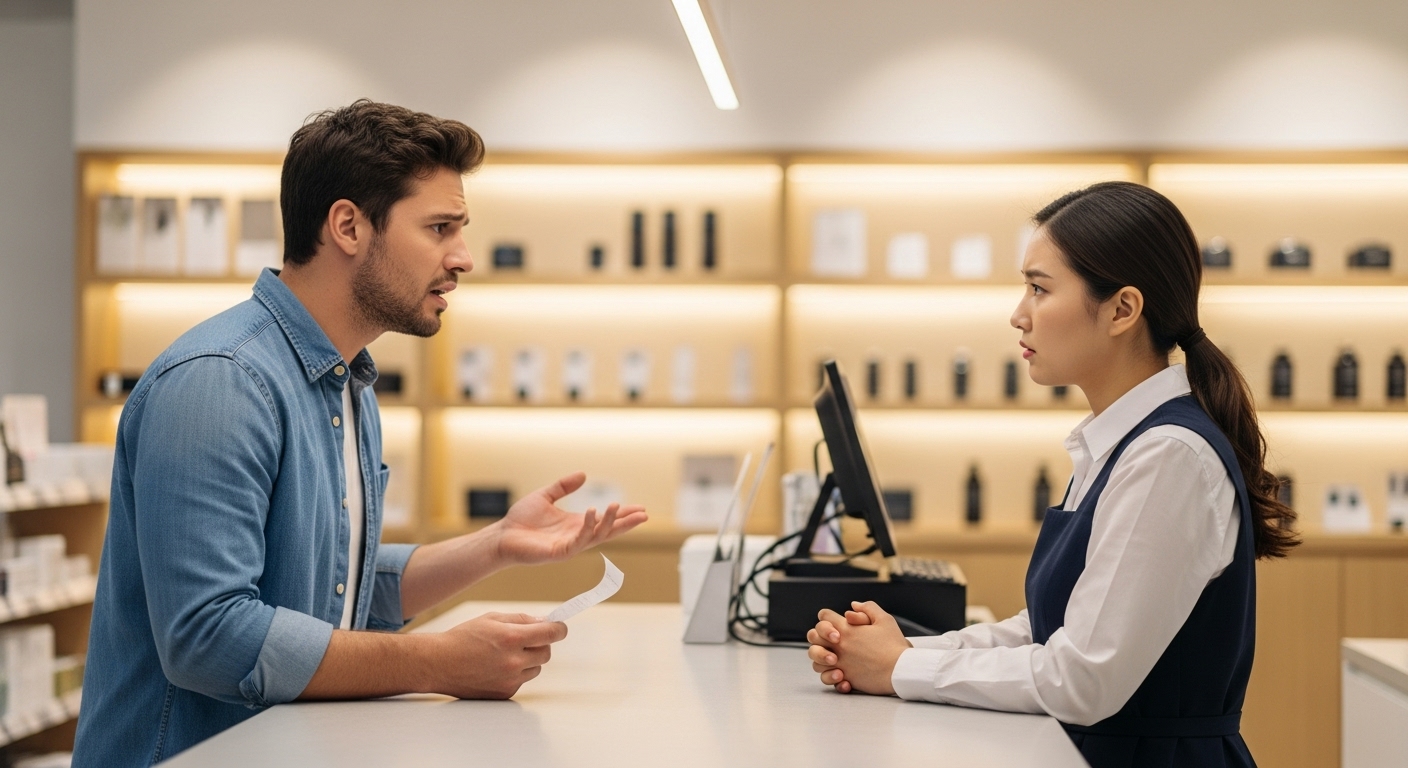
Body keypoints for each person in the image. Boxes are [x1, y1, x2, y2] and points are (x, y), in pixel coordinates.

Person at [73, 101, 648, 767]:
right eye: (439, 228)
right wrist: (435, 662)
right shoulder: (220, 383)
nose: (462, 258)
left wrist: (495, 546)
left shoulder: (345, 382)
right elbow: (211, 636)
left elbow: (334, 585)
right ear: (347, 226)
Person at [806, 181, 1298, 768]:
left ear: (1122, 309)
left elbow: (1082, 678)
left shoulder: (1169, 457)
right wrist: (899, 650)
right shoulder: (1117, 445)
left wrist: (901, 667)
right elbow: (1052, 629)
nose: (1018, 315)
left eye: (1039, 289)